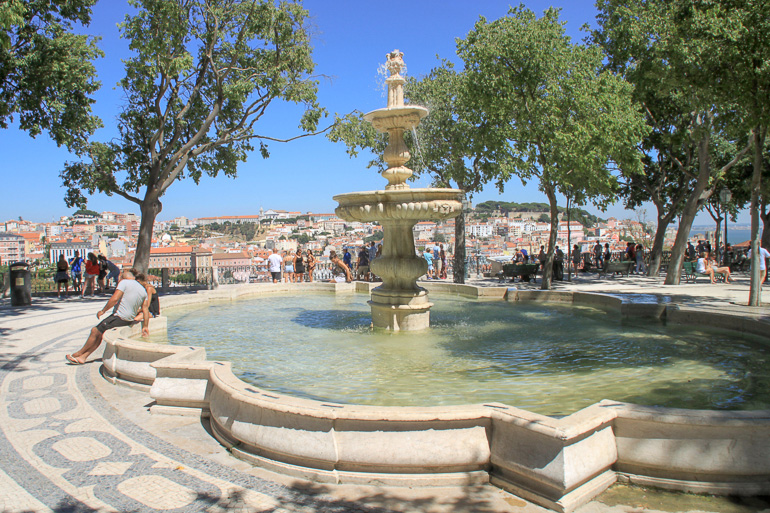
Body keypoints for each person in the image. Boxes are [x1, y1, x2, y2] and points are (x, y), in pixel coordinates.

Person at [66, 268, 149, 365]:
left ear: (123, 277)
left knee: (95, 331)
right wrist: (145, 326)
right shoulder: (142, 289)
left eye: (120, 277)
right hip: (128, 319)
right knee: (98, 333)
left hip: (119, 317)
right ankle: (83, 357)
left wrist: (103, 310)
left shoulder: (124, 283)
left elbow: (115, 299)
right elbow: (145, 309)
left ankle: (78, 353)